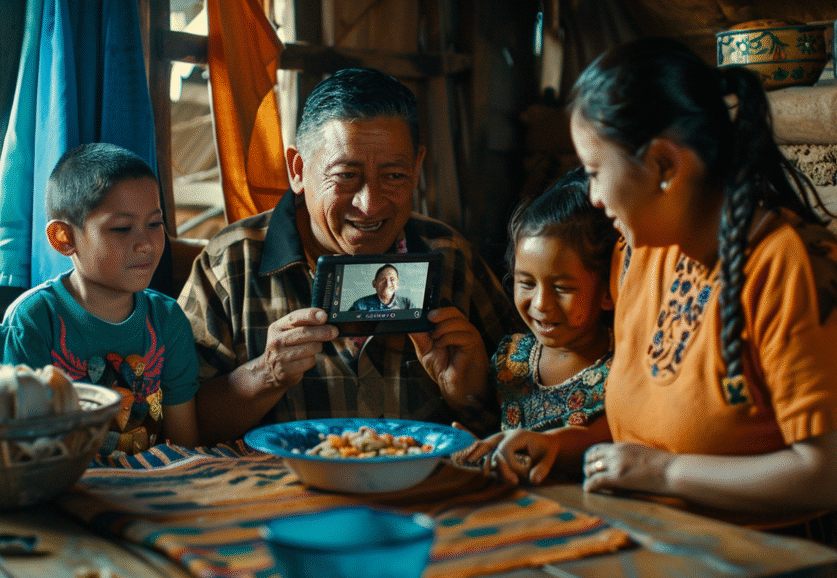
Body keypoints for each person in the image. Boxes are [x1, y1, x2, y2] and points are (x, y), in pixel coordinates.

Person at [476, 37, 837, 576]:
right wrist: (561, 445)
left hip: (802, 554)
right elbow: (660, 423)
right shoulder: (640, 253)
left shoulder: (795, 268)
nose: (591, 196)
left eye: (593, 170)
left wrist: (667, 475)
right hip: (679, 541)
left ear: (663, 164)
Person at [179, 68, 517, 445]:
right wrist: (265, 375)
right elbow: (176, 426)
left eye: (394, 176)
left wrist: (474, 394)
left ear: (418, 166)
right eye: (346, 175)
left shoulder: (451, 259)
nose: (369, 205)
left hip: (421, 498)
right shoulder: (231, 264)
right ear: (298, 170)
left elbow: (533, 404)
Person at [0, 143, 200, 454]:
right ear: (65, 238)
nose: (146, 244)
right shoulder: (34, 322)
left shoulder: (167, 320)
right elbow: (18, 448)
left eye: (155, 224)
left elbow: (185, 446)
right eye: (122, 228)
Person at [457, 169, 619, 479]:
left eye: (562, 288)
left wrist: (552, 445)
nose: (541, 304)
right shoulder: (511, 359)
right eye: (527, 283)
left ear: (607, 291)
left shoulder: (621, 367)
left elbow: (610, 436)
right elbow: (494, 430)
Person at [348, 264, 414, 311]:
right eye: (383, 279)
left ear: (397, 284)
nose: (388, 284)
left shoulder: (407, 303)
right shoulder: (360, 305)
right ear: (374, 284)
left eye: (392, 279)